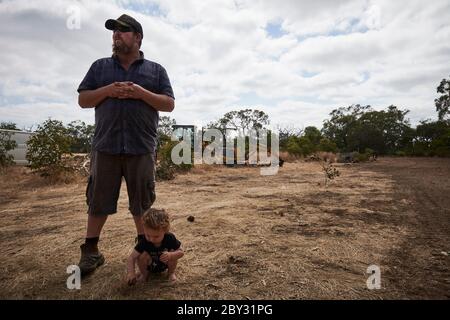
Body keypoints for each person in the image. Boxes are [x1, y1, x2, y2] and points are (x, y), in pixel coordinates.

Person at [76, 14, 175, 276]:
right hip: (106, 146)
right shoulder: (99, 67)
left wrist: (140, 92)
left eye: (123, 31)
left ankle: (147, 252)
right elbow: (83, 100)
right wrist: (108, 90)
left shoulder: (155, 70)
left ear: (138, 37)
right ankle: (91, 252)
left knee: (141, 204)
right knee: (98, 201)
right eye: (114, 31)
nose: (116, 35)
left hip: (141, 147)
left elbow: (168, 104)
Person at [127, 208, 184, 284]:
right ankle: (144, 275)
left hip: (165, 263)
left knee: (173, 252)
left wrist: (171, 255)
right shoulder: (144, 241)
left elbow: (181, 252)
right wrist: (131, 273)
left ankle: (171, 273)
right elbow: (131, 257)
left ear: (165, 231)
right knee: (141, 255)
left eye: (156, 236)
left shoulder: (170, 238)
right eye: (148, 235)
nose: (151, 239)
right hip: (150, 265)